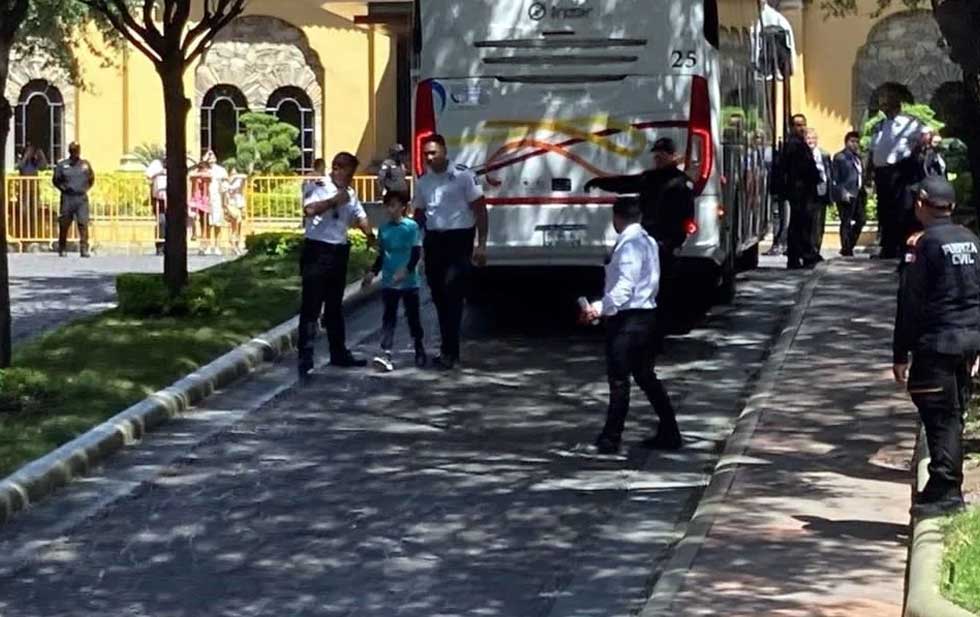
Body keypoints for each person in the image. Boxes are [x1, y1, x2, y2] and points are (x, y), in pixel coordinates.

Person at [893, 176, 980, 518]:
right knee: (953, 411)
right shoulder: (972, 241)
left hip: (937, 343)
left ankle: (945, 487)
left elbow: (910, 303)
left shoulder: (923, 245)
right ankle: (946, 484)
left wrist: (900, 353)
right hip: (968, 342)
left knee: (940, 414)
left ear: (921, 204)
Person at [579, 197, 680, 455]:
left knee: (619, 380)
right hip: (647, 317)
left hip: (627, 321)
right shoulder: (647, 241)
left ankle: (611, 438)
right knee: (646, 376)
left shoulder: (629, 246)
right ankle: (670, 430)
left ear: (617, 217)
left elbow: (625, 287)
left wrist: (598, 309)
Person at [584, 137, 695, 323]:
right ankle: (648, 329)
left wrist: (677, 242)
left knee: (664, 289)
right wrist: (599, 182)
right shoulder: (650, 178)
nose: (658, 158)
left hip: (667, 243)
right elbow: (625, 183)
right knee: (644, 286)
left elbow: (687, 217)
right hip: (648, 239)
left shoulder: (681, 182)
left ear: (673, 156)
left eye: (663, 155)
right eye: (656, 155)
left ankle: (660, 330)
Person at [298, 152, 377, 379]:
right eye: (348, 173)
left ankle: (338, 352)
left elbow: (359, 215)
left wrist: (370, 235)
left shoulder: (350, 193)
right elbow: (309, 210)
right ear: (336, 168)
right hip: (317, 250)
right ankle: (305, 358)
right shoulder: (317, 185)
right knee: (311, 307)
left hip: (338, 251)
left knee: (334, 306)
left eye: (352, 174)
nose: (350, 179)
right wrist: (333, 201)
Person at [413, 134, 488, 370]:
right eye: (426, 153)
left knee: (453, 294)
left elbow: (481, 210)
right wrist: (417, 244)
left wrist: (481, 244)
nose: (429, 157)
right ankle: (447, 348)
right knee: (438, 296)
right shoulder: (423, 181)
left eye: (433, 152)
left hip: (459, 241)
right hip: (435, 242)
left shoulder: (464, 176)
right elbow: (420, 213)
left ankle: (451, 352)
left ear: (444, 152)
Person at [362, 190, 427, 372]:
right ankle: (386, 352)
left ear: (402, 207)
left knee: (413, 317)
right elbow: (382, 255)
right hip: (390, 281)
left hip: (409, 281)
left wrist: (406, 270)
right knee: (389, 318)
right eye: (387, 206)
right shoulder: (384, 229)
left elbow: (416, 253)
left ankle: (419, 348)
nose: (390, 209)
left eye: (393, 205)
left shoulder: (411, 227)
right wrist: (373, 273)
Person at [870, 92, 924, 259]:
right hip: (882, 173)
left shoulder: (910, 122)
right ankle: (888, 247)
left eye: (886, 104)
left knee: (903, 209)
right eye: (882, 105)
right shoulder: (880, 125)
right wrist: (868, 171)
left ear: (897, 105)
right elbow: (874, 149)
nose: (883, 108)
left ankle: (904, 246)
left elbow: (928, 135)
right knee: (884, 211)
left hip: (901, 171)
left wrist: (915, 153)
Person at [779, 114, 821, 269]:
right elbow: (800, 169)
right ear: (791, 127)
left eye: (803, 124)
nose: (801, 128)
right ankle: (801, 256)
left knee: (802, 223)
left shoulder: (800, 143)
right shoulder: (793, 145)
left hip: (804, 190)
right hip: (799, 190)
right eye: (797, 125)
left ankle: (799, 256)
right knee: (800, 224)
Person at [52, 142, 95, 258]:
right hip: (68, 198)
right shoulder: (62, 165)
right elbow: (56, 180)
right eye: (72, 150)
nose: (75, 152)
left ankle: (84, 249)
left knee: (83, 223)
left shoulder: (85, 165)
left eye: (76, 150)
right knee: (64, 223)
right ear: (69, 151)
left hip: (81, 198)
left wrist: (84, 189)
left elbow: (91, 179)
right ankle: (62, 247)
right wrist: (64, 189)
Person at [832, 131, 867, 257]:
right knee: (846, 221)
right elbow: (835, 177)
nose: (855, 144)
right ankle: (846, 248)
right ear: (846, 142)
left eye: (857, 142)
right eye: (852, 141)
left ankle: (849, 244)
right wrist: (842, 192)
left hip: (858, 193)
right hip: (846, 193)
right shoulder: (840, 157)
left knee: (861, 220)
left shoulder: (858, 157)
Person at [806, 128, 833, 255]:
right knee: (809, 222)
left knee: (819, 223)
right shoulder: (803, 154)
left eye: (813, 138)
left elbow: (829, 173)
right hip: (808, 192)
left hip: (822, 190)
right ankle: (810, 249)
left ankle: (817, 248)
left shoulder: (824, 154)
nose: (811, 141)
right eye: (808, 139)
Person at [205, 152, 228, 256]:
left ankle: (217, 246)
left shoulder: (221, 170)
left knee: (217, 223)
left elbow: (225, 185)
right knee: (209, 224)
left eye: (212, 156)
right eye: (209, 157)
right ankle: (209, 246)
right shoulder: (204, 169)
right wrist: (204, 158)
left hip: (217, 199)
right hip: (206, 199)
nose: (211, 158)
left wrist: (225, 200)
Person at [145, 156, 168, 256]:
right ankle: (160, 247)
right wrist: (160, 172)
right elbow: (148, 175)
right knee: (161, 222)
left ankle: (171, 247)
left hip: (173, 199)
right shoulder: (156, 163)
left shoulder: (177, 163)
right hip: (159, 199)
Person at [225, 166, 247, 255]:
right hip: (231, 204)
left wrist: (236, 176)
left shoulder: (239, 182)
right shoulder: (226, 184)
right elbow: (225, 195)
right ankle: (233, 244)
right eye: (232, 173)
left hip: (239, 204)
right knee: (234, 225)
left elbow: (245, 176)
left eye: (235, 173)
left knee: (240, 225)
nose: (234, 175)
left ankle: (237, 244)